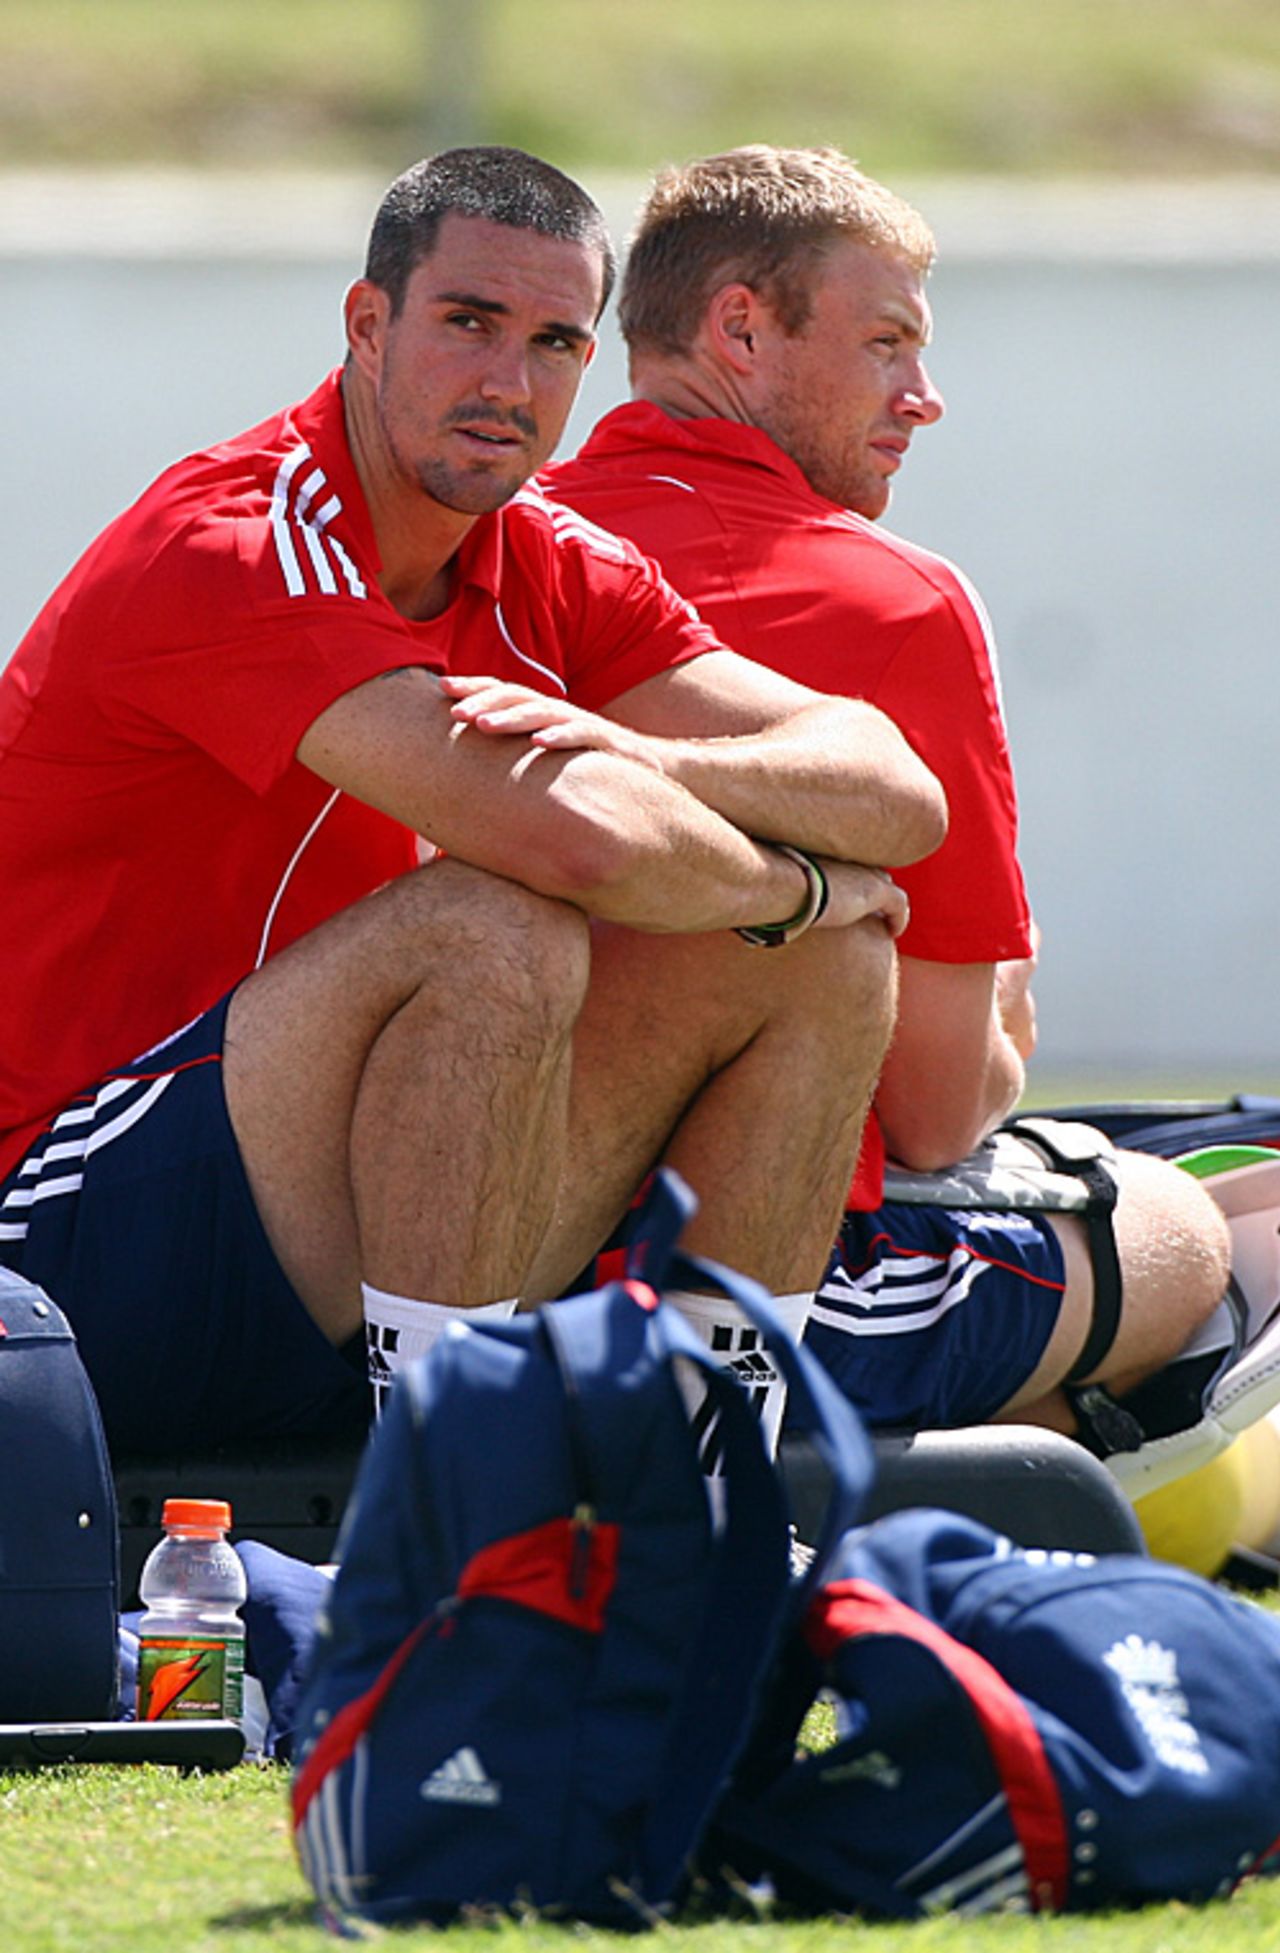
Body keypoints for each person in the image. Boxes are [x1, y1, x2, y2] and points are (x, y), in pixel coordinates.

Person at [0, 147, 946, 1456]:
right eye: (468, 323)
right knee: (496, 929)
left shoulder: (547, 557)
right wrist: (800, 884)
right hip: (61, 1249)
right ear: (367, 324)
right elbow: (578, 839)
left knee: (828, 966)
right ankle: (445, 1515)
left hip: (338, 1235)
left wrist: (659, 766)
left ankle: (705, 1506)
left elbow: (896, 789)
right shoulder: (233, 539)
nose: (509, 382)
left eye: (554, 343)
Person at [543, 143, 1231, 1449]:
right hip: (740, 1284)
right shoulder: (894, 600)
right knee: (1202, 1231)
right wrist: (1011, 1009)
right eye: (887, 345)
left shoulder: (484, 551)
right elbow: (933, 1112)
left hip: (446, 1271)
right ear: (740, 328)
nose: (925, 398)